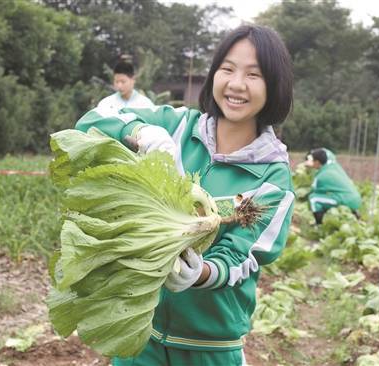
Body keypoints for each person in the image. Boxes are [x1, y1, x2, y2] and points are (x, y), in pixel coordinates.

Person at [75, 24, 294, 366]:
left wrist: (200, 272)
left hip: (210, 345)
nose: (237, 84)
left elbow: (241, 255)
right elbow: (91, 123)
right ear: (213, 75)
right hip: (138, 329)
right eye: (227, 69)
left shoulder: (272, 176)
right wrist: (138, 132)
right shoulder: (175, 126)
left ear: (274, 86)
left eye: (254, 74)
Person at [304, 148, 362, 224]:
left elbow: (313, 191)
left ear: (317, 162)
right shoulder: (333, 166)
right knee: (328, 197)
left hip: (346, 200)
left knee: (313, 199)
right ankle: (355, 214)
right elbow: (327, 152)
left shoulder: (321, 176)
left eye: (313, 161)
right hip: (356, 199)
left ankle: (319, 224)